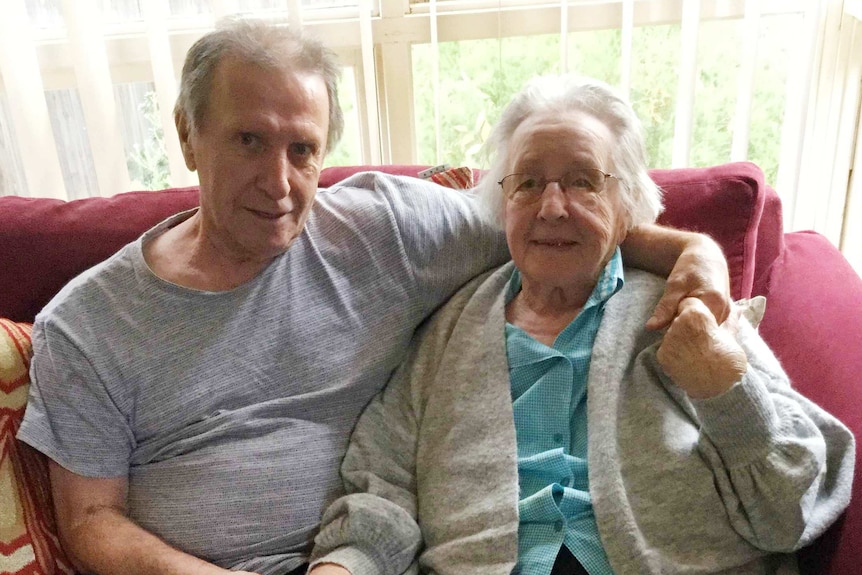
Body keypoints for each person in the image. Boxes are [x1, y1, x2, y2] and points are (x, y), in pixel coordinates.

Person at [17, 20, 734, 575]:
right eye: (247, 140)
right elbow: (90, 520)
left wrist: (691, 253)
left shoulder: (384, 228)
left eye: (302, 149)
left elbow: (551, 226)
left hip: (376, 552)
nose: (278, 180)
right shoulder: (89, 322)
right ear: (188, 136)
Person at [307, 75, 856, 575]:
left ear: (628, 206)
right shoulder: (449, 328)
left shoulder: (687, 308)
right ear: (503, 205)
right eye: (527, 184)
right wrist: (349, 563)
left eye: (582, 181)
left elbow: (790, 508)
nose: (551, 208)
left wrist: (726, 390)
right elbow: (382, 479)